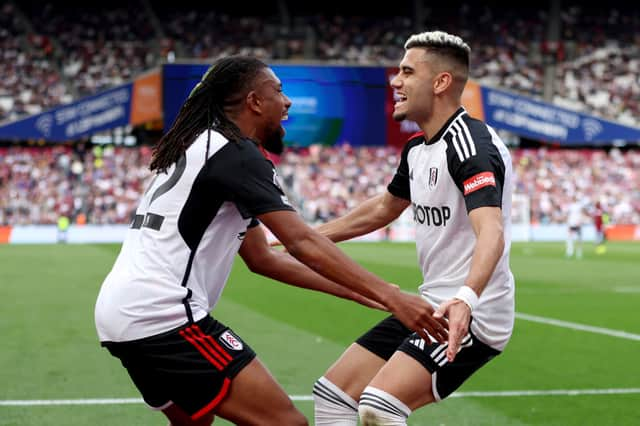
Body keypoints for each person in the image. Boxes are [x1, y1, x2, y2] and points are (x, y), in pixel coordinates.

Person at [94, 56, 447, 426]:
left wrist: (363, 292)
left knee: (193, 421)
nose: (288, 101)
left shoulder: (203, 145)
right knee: (287, 424)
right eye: (278, 91)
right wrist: (391, 296)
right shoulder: (237, 154)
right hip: (161, 315)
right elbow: (300, 241)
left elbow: (263, 258)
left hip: (119, 313)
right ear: (254, 102)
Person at [309, 31, 516, 425]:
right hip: (433, 303)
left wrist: (467, 299)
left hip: (472, 312)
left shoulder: (469, 145)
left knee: (379, 406)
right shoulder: (418, 148)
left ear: (440, 83)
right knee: (333, 396)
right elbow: (385, 207)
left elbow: (491, 229)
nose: (395, 81)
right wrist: (300, 238)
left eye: (406, 71)